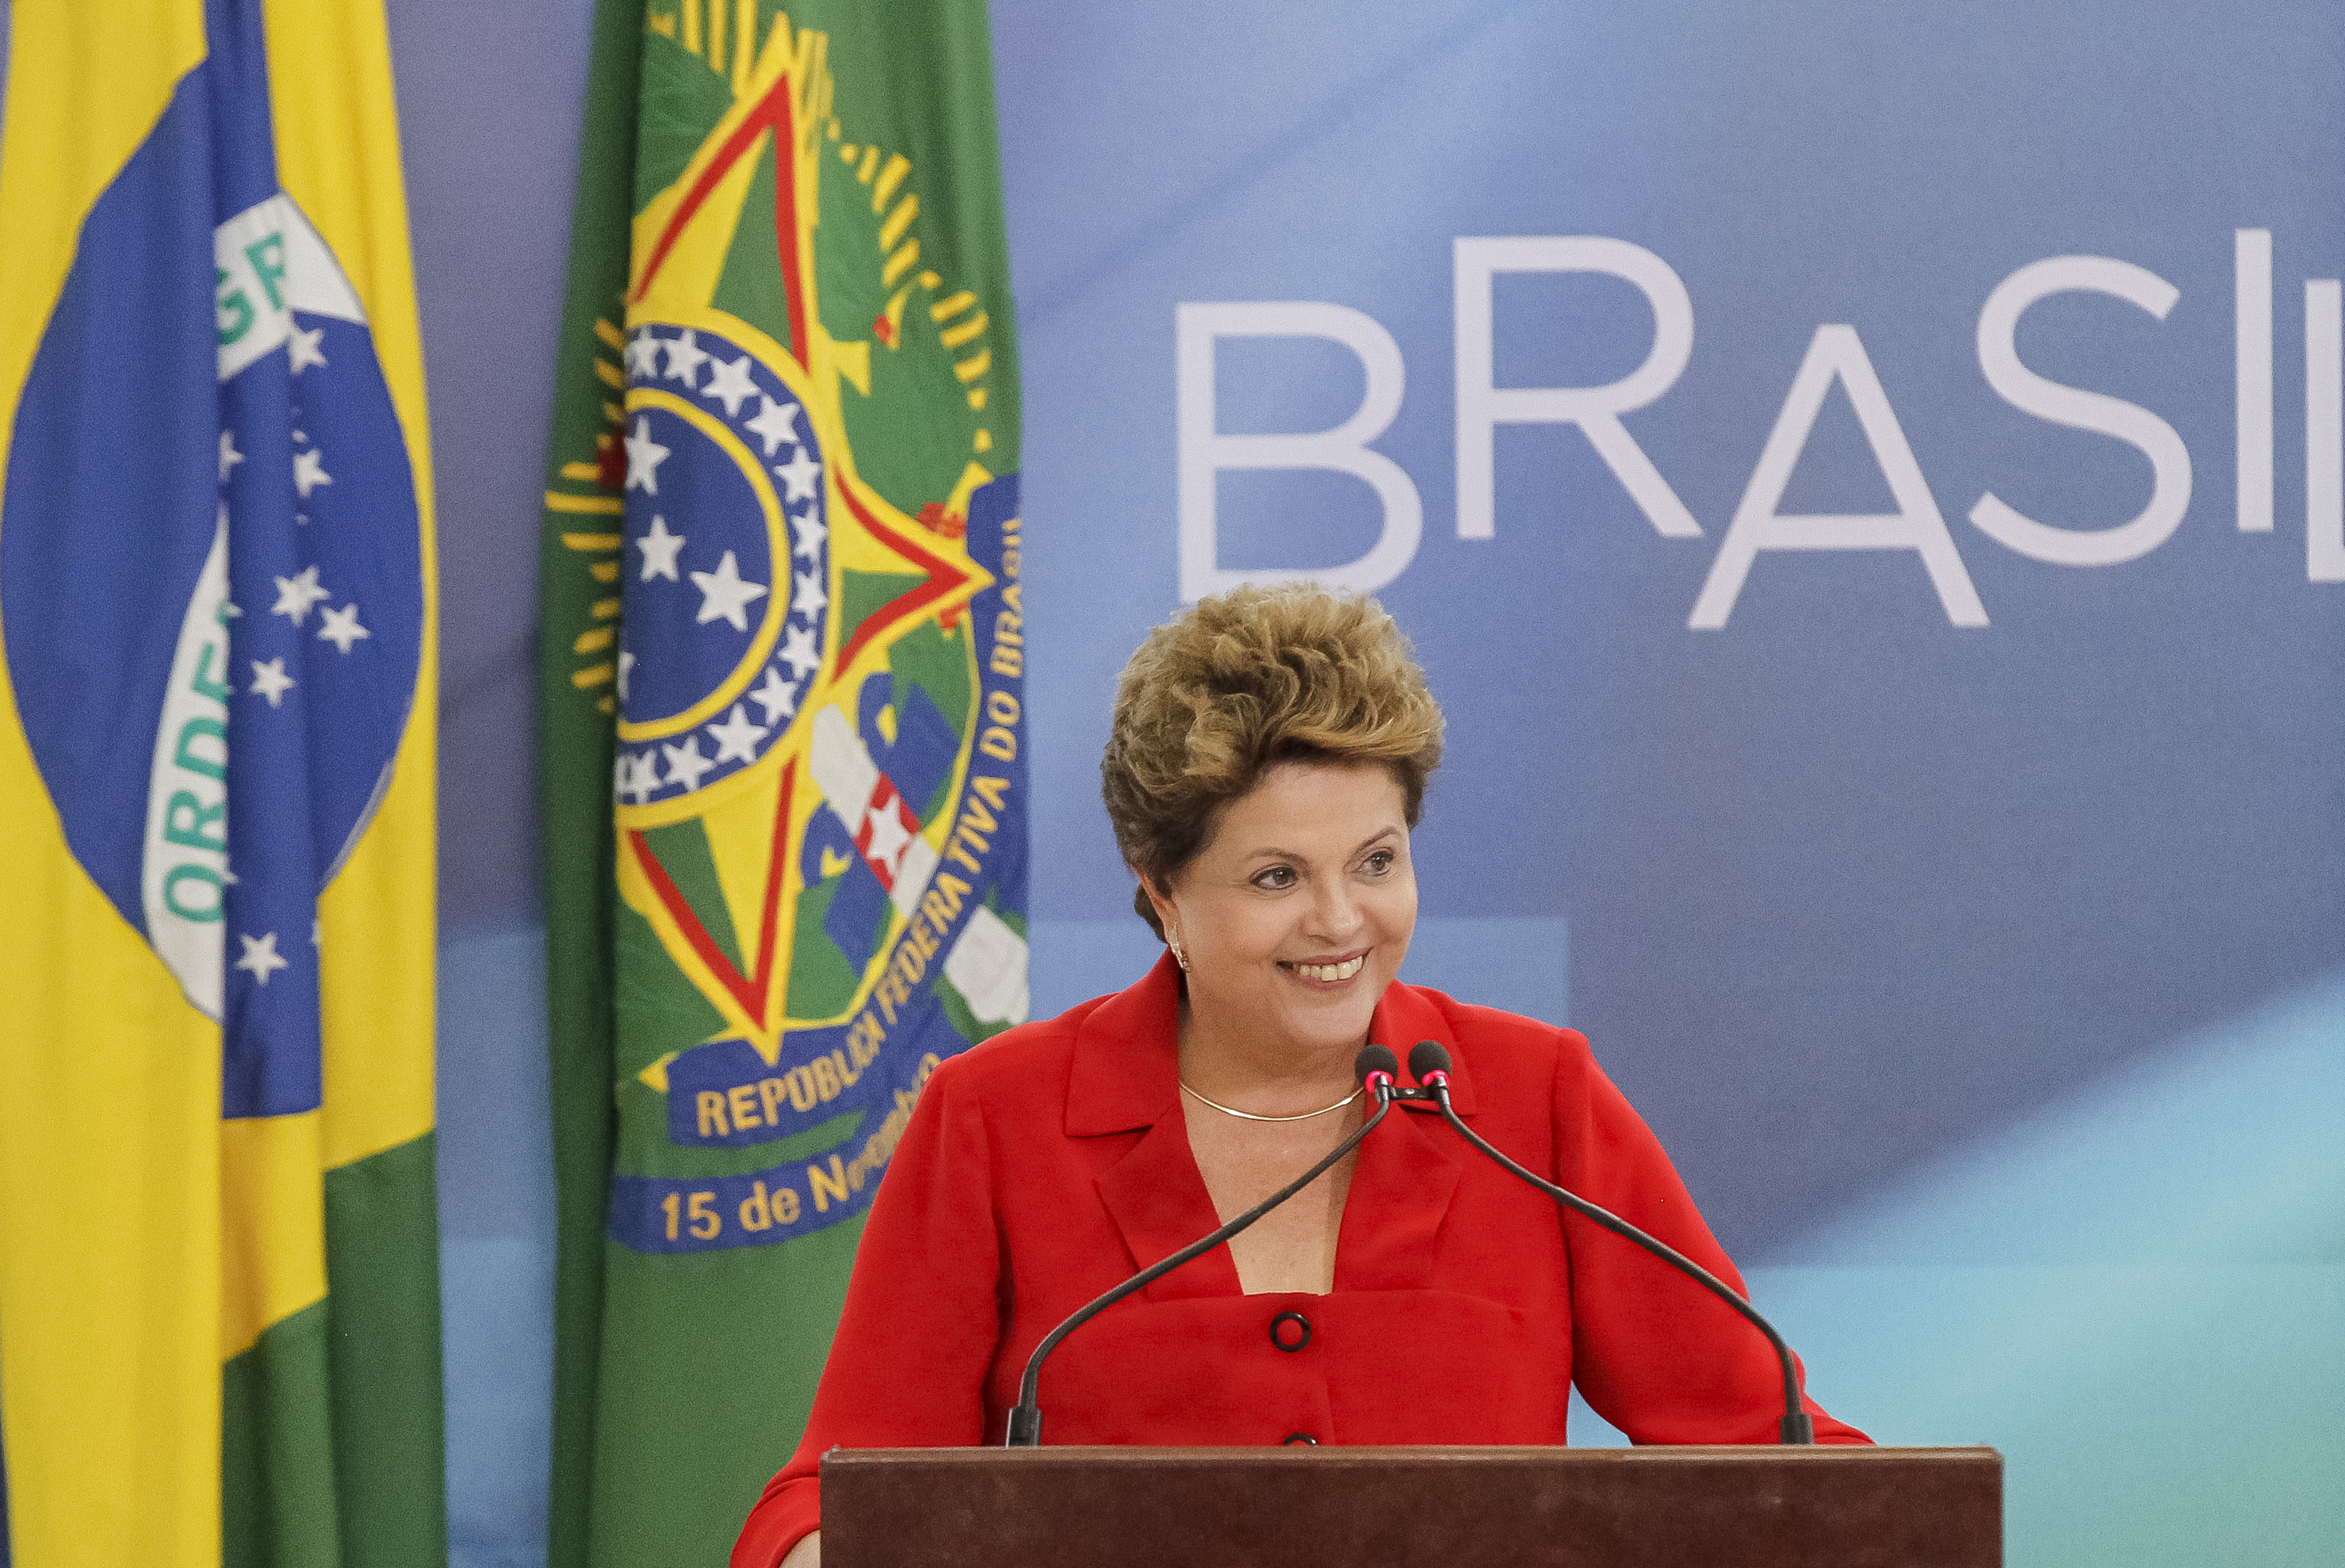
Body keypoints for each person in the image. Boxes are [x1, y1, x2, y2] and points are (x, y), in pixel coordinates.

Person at [733, 583, 1865, 1568]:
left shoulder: (1533, 1101)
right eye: (1276, 876)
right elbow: (831, 1495)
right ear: (1163, 890)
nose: (1339, 921)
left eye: (1375, 861)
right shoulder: (996, 1118)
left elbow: (1775, 1457)